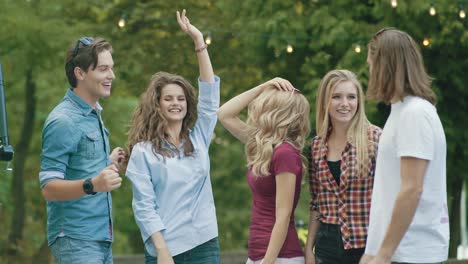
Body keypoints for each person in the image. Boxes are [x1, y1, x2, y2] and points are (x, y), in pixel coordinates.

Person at [124, 10, 220, 264]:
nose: (176, 103)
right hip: (165, 249)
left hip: (205, 244)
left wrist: (199, 42)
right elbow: (144, 207)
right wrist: (162, 250)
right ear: (157, 105)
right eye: (168, 98)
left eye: (181, 98)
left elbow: (210, 99)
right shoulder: (143, 152)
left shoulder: (198, 138)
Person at [360, 28, 449, 264]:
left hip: (412, 253)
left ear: (383, 66)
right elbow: (389, 190)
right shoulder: (400, 113)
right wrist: (372, 252)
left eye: (371, 64)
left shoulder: (415, 114)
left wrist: (384, 254)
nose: (369, 72)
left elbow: (412, 189)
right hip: (394, 253)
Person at [39, 36, 125, 264]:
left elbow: (79, 167)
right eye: (104, 69)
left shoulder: (93, 114)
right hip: (75, 239)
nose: (111, 76)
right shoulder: (63, 120)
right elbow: (48, 188)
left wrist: (108, 163)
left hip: (100, 238)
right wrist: (94, 184)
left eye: (111, 69)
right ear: (80, 73)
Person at [217, 77, 310, 264]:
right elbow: (223, 114)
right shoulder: (265, 147)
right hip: (260, 254)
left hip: (280, 257)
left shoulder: (285, 154)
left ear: (275, 112)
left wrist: (267, 261)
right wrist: (262, 87)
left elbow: (283, 216)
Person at [304, 69, 382, 264]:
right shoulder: (316, 145)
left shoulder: (375, 139)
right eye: (336, 97)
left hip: (367, 246)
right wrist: (308, 249)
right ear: (325, 101)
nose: (345, 104)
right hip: (326, 246)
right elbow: (316, 203)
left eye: (351, 97)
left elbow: (389, 197)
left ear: (359, 101)